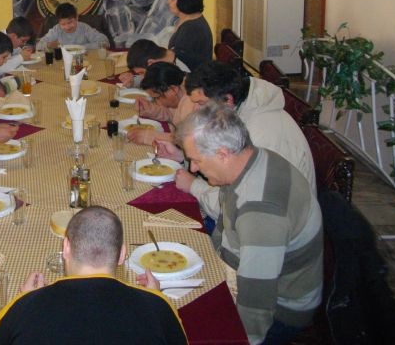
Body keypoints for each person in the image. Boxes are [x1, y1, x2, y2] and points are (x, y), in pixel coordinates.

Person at [175, 104, 322, 345]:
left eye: (196, 160)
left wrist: (239, 339)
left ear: (223, 154)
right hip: (240, 273)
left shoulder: (261, 211)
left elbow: (256, 301)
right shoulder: (250, 161)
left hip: (280, 311)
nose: (193, 168)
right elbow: (225, 226)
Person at [0, 206, 187, 345]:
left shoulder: (22, 306)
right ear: (122, 254)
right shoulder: (158, 307)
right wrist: (155, 298)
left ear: (65, 247)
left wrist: (26, 299)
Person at [174, 61, 316, 219]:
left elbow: (235, 207)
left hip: (274, 221)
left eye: (201, 103)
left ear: (227, 100)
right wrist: (186, 156)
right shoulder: (241, 109)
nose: (196, 110)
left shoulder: (260, 136)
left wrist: (194, 186)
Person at [126, 62, 195, 152]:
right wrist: (152, 110)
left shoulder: (191, 103)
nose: (158, 102)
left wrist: (150, 136)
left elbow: (189, 142)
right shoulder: (179, 90)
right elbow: (172, 115)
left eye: (157, 97)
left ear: (173, 89)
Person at [166, 0, 213, 71]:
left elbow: (179, 64)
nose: (168, 2)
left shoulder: (192, 30)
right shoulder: (188, 20)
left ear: (184, 2)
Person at [36, 2, 109, 51]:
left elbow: (104, 42)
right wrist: (48, 45)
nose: (67, 27)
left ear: (77, 18)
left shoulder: (84, 28)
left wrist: (80, 48)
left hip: (84, 61)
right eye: (63, 24)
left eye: (70, 22)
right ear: (58, 22)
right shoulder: (56, 30)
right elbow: (38, 45)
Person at [118, 39, 190, 88]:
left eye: (141, 73)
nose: (142, 77)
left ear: (151, 63)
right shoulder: (170, 57)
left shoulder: (183, 75)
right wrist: (133, 82)